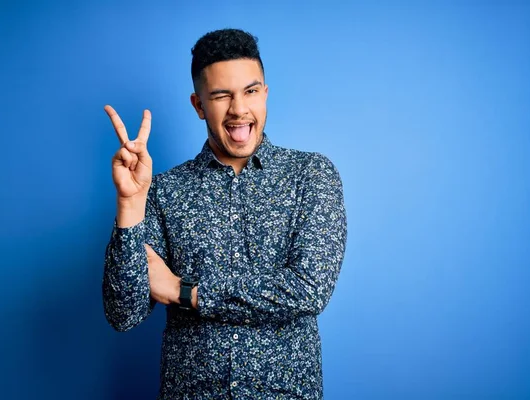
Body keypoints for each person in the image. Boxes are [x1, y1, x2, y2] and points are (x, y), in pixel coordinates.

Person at [102, 28, 347, 400]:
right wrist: (130, 206)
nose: (239, 110)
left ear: (265, 93)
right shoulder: (164, 191)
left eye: (250, 91)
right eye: (221, 96)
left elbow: (308, 290)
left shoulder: (311, 175)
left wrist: (186, 292)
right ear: (199, 105)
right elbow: (124, 312)